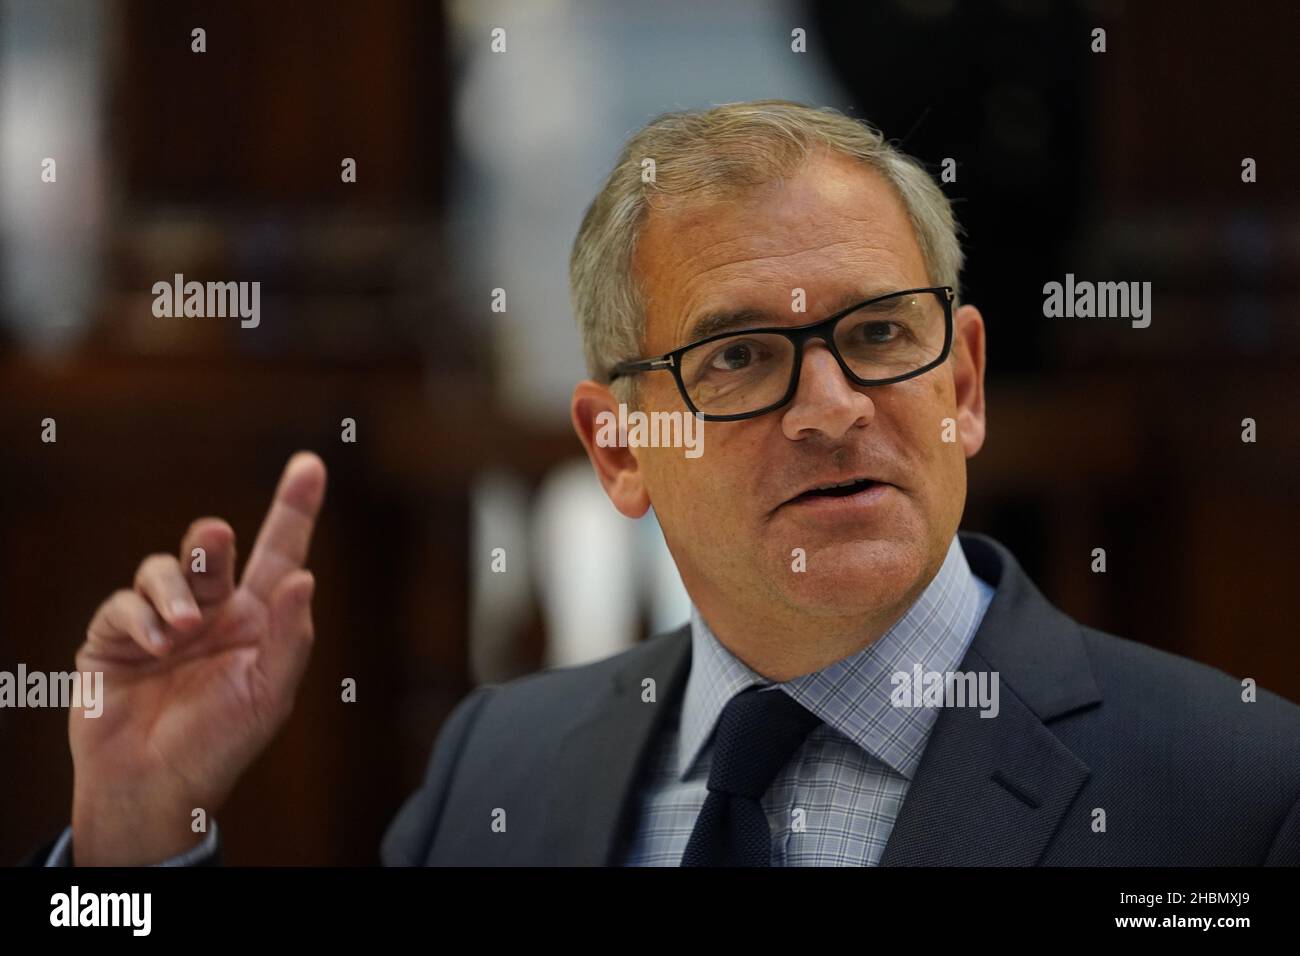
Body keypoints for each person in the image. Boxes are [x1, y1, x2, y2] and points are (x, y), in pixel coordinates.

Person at [37, 100, 1300, 867]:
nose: (831, 408)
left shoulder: (1233, 787)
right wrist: (131, 836)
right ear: (620, 449)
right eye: (741, 356)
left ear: (960, 383)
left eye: (876, 334)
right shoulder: (501, 772)